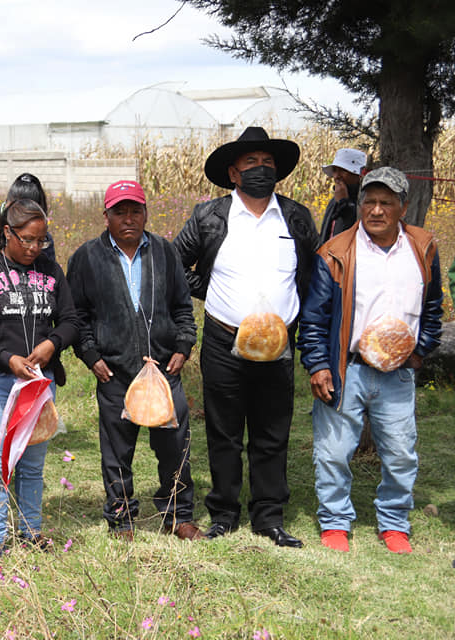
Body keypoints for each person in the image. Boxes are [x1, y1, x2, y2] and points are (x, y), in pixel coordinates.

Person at [173, 126, 320, 548]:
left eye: (268, 164)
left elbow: (311, 279)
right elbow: (174, 263)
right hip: (224, 341)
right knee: (224, 432)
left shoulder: (295, 217)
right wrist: (211, 290)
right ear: (234, 174)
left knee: (272, 432)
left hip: (278, 345)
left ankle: (269, 517)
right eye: (251, 164)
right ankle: (223, 514)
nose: (261, 170)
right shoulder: (210, 216)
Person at [297, 167, 443, 554]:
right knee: (334, 451)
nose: (376, 210)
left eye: (386, 203)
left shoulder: (423, 247)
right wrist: (318, 365)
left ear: (403, 208)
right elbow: (314, 317)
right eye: (369, 201)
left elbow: (433, 306)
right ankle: (334, 523)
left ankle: (394, 522)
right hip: (348, 368)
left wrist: (419, 351)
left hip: (397, 373)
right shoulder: (336, 251)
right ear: (360, 204)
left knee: (399, 451)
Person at [67, 180, 202, 542]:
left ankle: (178, 514)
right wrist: (91, 356)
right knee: (116, 450)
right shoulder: (86, 257)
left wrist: (183, 347)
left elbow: (182, 308)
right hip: (114, 372)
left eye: (135, 210)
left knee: (174, 445)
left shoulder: (163, 251)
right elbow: (76, 316)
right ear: (106, 215)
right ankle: (121, 518)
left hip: (162, 370)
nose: (128, 218)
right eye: (120, 212)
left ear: (146, 212)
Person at [0, 198, 78, 560]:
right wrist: (5, 358)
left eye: (41, 240)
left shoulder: (51, 271)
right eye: (26, 239)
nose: (34, 248)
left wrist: (52, 344)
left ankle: (30, 532)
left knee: (32, 462)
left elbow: (71, 321)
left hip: (38, 385)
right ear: (6, 232)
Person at [318, 148, 366, 242]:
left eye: (343, 170)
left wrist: (344, 204)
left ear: (358, 175)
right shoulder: (334, 201)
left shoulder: (365, 201)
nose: (336, 176)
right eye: (335, 170)